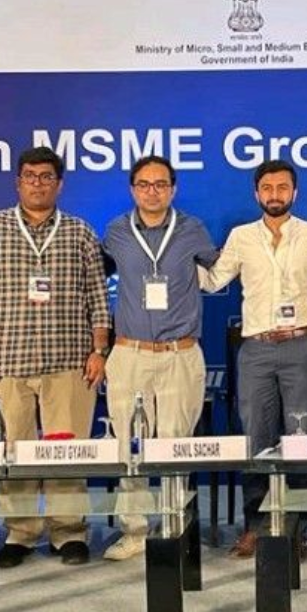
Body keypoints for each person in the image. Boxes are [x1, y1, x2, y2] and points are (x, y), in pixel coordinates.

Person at [0, 146, 111, 568]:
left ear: (59, 184)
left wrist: (99, 349)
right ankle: (21, 533)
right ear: (18, 181)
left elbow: (99, 297)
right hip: (8, 361)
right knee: (15, 451)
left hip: (69, 361)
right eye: (30, 176)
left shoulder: (79, 231)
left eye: (47, 176)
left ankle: (69, 532)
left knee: (67, 453)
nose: (38, 183)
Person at [199, 159, 307, 558]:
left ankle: (296, 529)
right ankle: (257, 526)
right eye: (267, 188)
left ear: (294, 193)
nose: (275, 194)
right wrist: (170, 266)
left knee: (301, 440)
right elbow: (213, 280)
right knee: (258, 441)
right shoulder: (240, 237)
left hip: (300, 347)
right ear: (256, 193)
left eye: (283, 187)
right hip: (256, 350)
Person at [100, 155, 219, 561]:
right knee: (129, 445)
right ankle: (133, 532)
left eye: (161, 184)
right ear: (133, 189)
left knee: (175, 445)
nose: (153, 191)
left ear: (173, 189)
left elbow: (216, 272)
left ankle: (173, 524)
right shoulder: (116, 231)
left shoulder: (193, 230)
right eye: (145, 184)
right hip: (130, 352)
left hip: (180, 354)